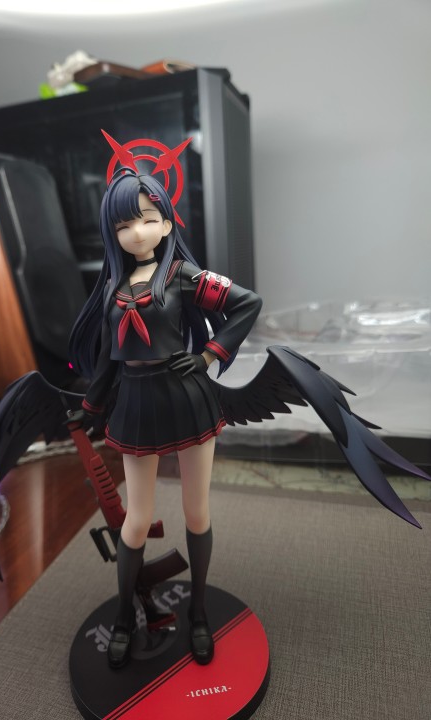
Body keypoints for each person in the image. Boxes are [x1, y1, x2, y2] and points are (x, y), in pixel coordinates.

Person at [68, 169, 262, 669]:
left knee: (197, 512)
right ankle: (125, 616)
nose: (137, 232)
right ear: (112, 233)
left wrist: (209, 355)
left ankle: (198, 612)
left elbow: (247, 303)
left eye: (148, 219)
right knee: (136, 519)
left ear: (167, 223)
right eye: (124, 225)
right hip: (135, 403)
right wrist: (90, 409)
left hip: (186, 396)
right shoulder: (111, 288)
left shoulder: (181, 276)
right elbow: (108, 358)